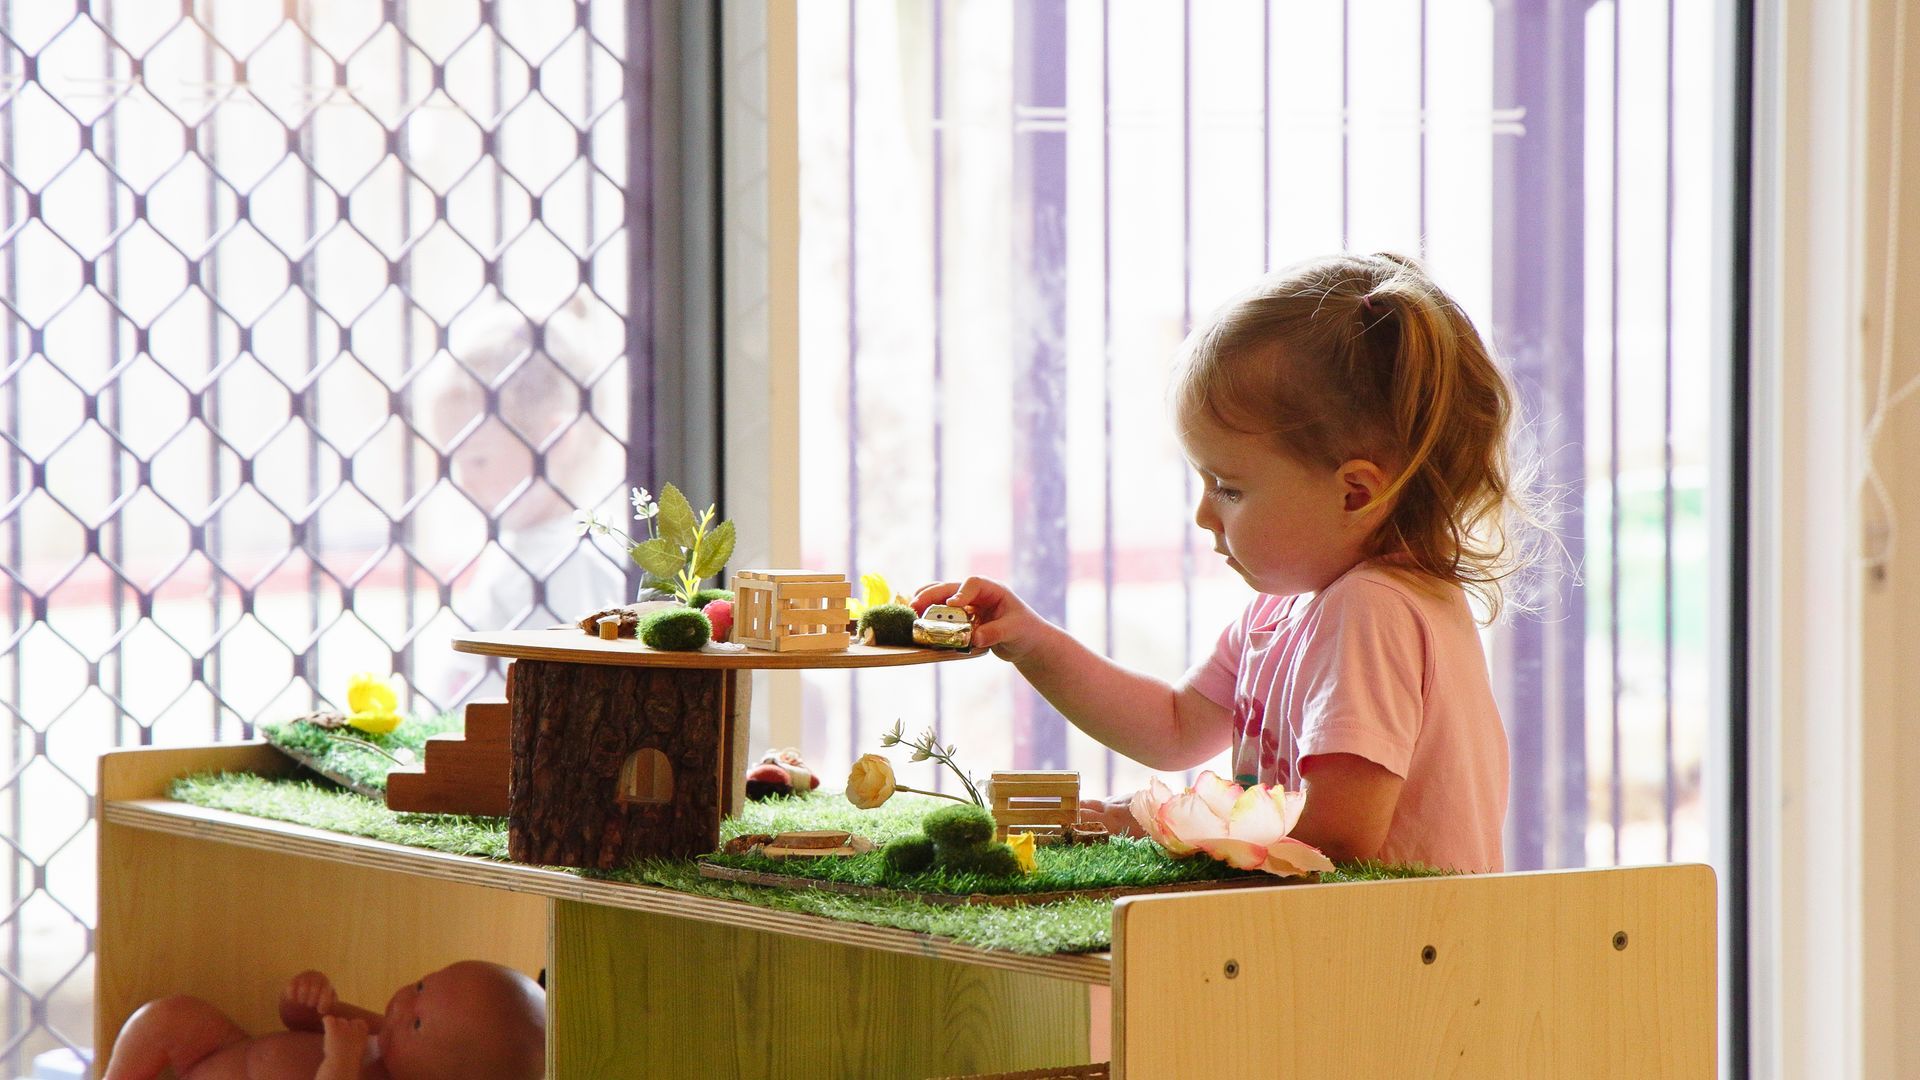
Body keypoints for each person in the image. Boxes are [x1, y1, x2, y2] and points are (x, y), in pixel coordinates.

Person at [913, 253, 1525, 873]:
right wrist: (1031, 640)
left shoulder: (1375, 610)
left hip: (1397, 959)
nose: (1204, 515)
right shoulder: (1285, 611)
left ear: (1355, 493)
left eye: (1228, 488)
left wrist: (1161, 821)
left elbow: (1339, 837)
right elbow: (1173, 725)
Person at [101, 961, 545, 1080]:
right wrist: (306, 997)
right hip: (223, 1051)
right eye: (421, 986)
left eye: (417, 1025)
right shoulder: (377, 1032)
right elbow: (304, 1020)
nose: (402, 1004)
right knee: (173, 1016)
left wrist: (342, 1063)